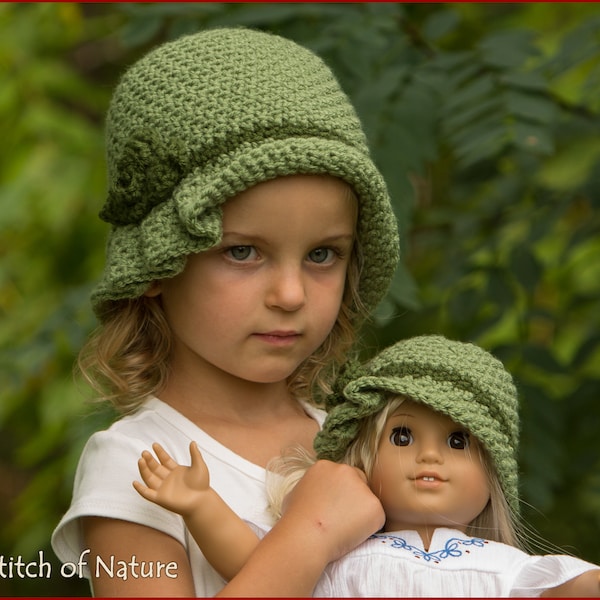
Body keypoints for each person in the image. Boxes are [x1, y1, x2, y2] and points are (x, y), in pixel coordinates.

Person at [51, 26, 400, 596]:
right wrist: (309, 536)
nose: (290, 294)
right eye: (242, 252)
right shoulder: (136, 469)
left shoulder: (359, 438)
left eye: (322, 254)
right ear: (158, 266)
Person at [134, 335, 600, 597]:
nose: (430, 455)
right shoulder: (339, 554)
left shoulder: (505, 570)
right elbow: (252, 563)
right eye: (403, 436)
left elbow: (576, 587)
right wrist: (200, 504)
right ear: (363, 456)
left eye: (458, 441)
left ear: (492, 477)